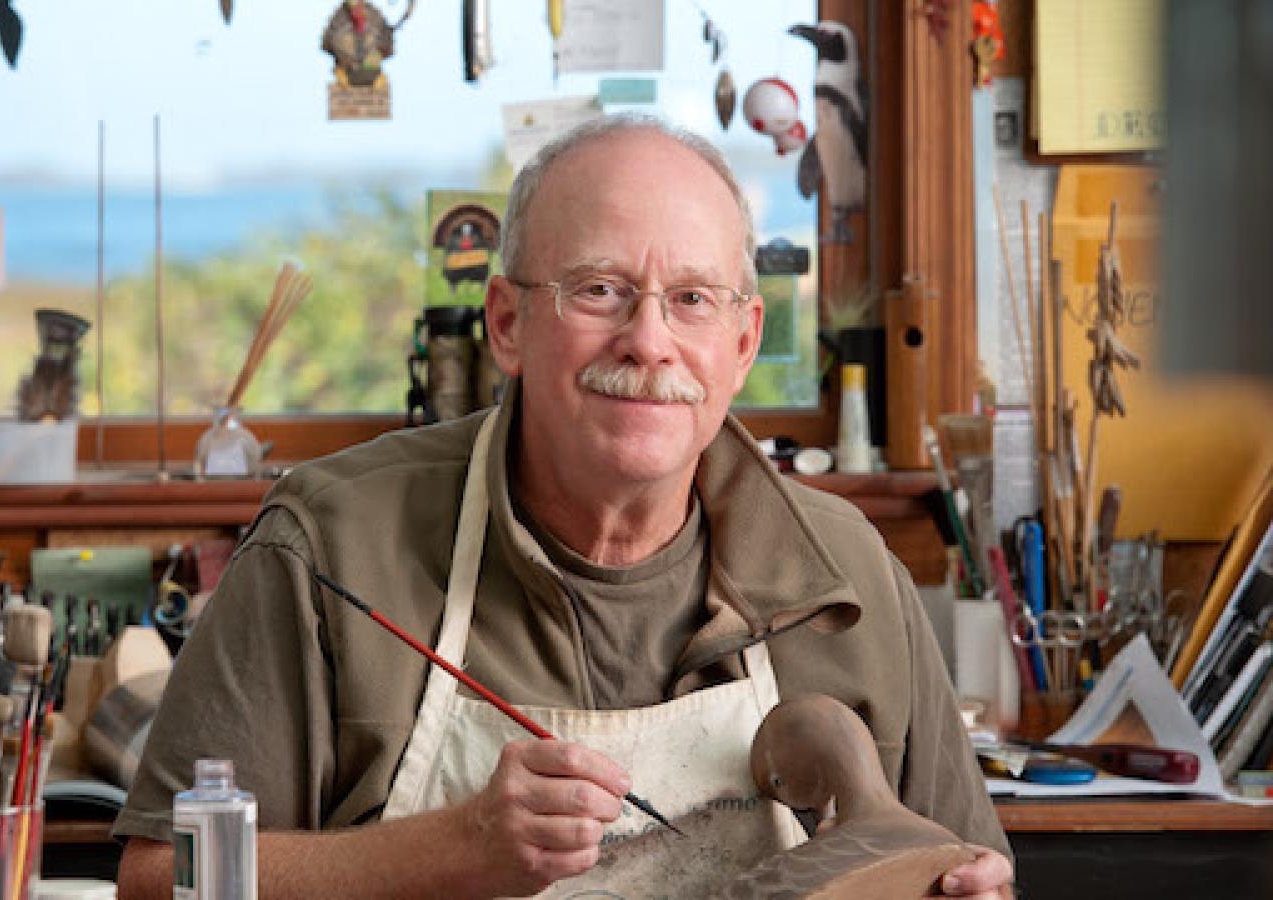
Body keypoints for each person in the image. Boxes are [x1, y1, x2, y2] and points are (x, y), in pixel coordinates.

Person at [113, 114, 1014, 899]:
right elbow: (162, 884)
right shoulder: (329, 547)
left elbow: (966, 868)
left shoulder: (849, 573)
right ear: (506, 324)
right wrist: (445, 855)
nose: (649, 341)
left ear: (743, 345)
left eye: (692, 300)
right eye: (599, 290)